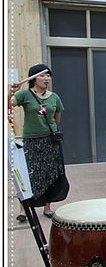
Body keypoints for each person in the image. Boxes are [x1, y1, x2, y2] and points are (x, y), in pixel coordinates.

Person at [8, 64, 67, 218]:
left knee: (50, 173)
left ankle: (47, 207)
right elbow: (8, 105)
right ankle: (23, 210)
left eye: (48, 75)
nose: (46, 78)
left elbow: (57, 119)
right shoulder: (24, 95)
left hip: (50, 141)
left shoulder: (55, 97)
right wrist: (12, 91)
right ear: (34, 78)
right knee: (28, 173)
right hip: (31, 140)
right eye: (42, 75)